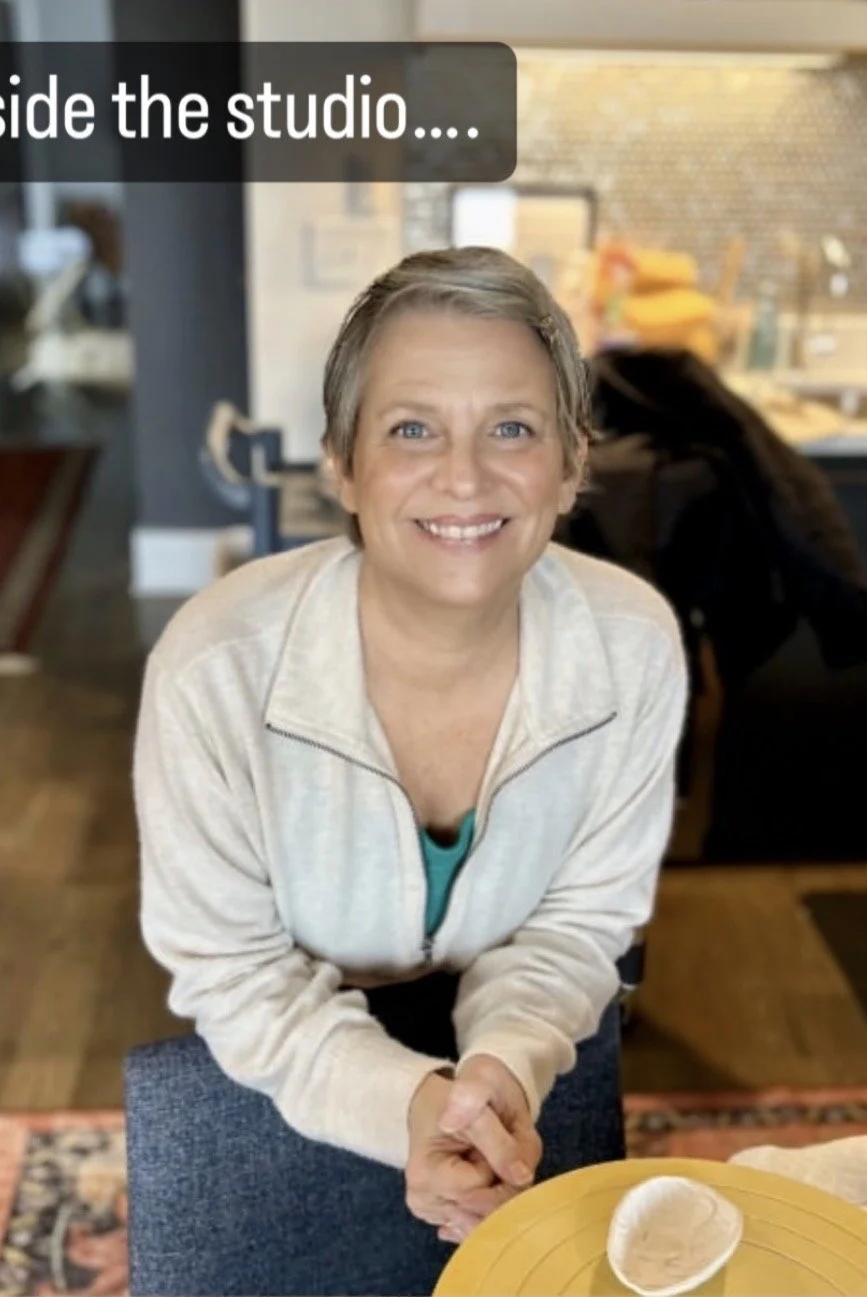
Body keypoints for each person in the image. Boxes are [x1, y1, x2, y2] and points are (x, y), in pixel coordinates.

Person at [132, 245, 688, 1292]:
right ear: (341, 461)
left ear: (571, 463)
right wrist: (408, 1105)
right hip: (277, 1060)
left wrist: (497, 1070)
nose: (465, 476)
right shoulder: (214, 670)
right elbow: (233, 970)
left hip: (524, 1068)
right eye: (410, 428)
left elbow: (579, 926)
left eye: (511, 428)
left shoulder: (632, 647)